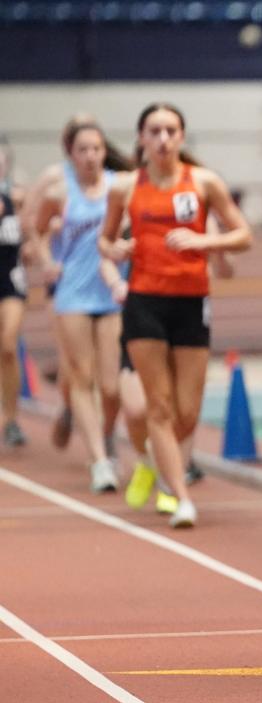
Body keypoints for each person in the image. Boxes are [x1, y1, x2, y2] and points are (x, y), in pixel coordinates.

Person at [99, 102, 252, 528]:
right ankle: (180, 496)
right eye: (155, 131)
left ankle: (153, 462)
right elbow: (105, 241)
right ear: (142, 139)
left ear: (182, 137)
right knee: (159, 407)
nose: (163, 138)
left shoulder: (203, 183)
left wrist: (202, 243)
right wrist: (115, 250)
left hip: (191, 302)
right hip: (145, 302)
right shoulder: (126, 188)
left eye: (171, 130)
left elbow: (244, 235)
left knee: (187, 410)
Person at [33, 121, 136, 492]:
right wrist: (47, 260)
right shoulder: (60, 192)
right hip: (72, 295)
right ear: (71, 155)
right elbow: (37, 230)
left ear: (103, 151)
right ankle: (98, 461)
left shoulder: (120, 187)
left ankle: (106, 435)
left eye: (96, 149)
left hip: (110, 294)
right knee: (81, 377)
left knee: (111, 387)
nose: (91, 156)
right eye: (83, 150)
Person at [0, 186, 27, 446]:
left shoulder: (15, 199)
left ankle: (11, 420)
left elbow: (30, 236)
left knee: (8, 347)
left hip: (10, 283)